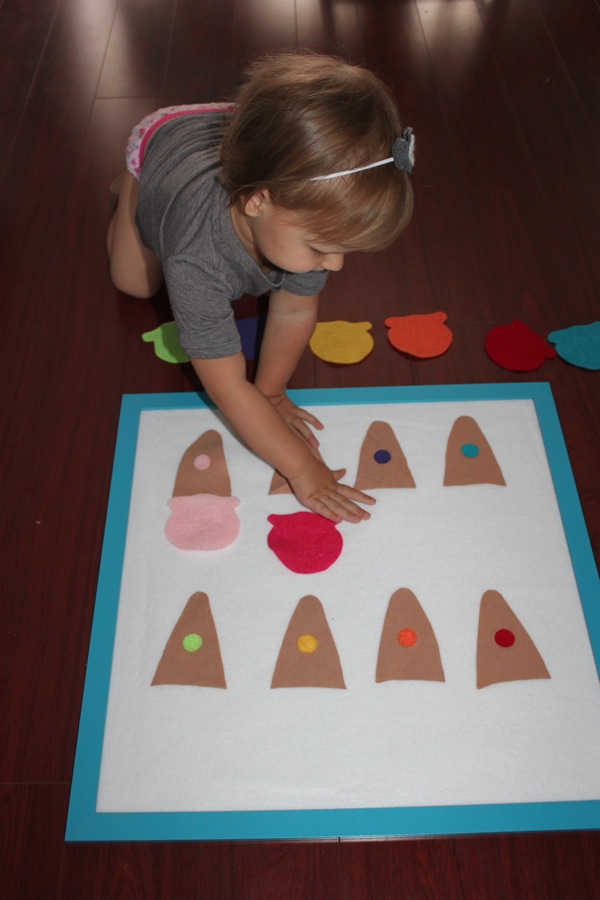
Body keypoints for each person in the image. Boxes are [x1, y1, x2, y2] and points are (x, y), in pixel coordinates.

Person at [107, 50, 414, 524]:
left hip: (239, 137)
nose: (334, 265)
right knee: (133, 283)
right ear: (257, 202)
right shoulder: (195, 259)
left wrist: (271, 392)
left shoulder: (304, 217)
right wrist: (303, 468)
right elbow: (227, 385)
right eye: (320, 248)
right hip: (165, 142)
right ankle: (131, 185)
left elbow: (293, 312)